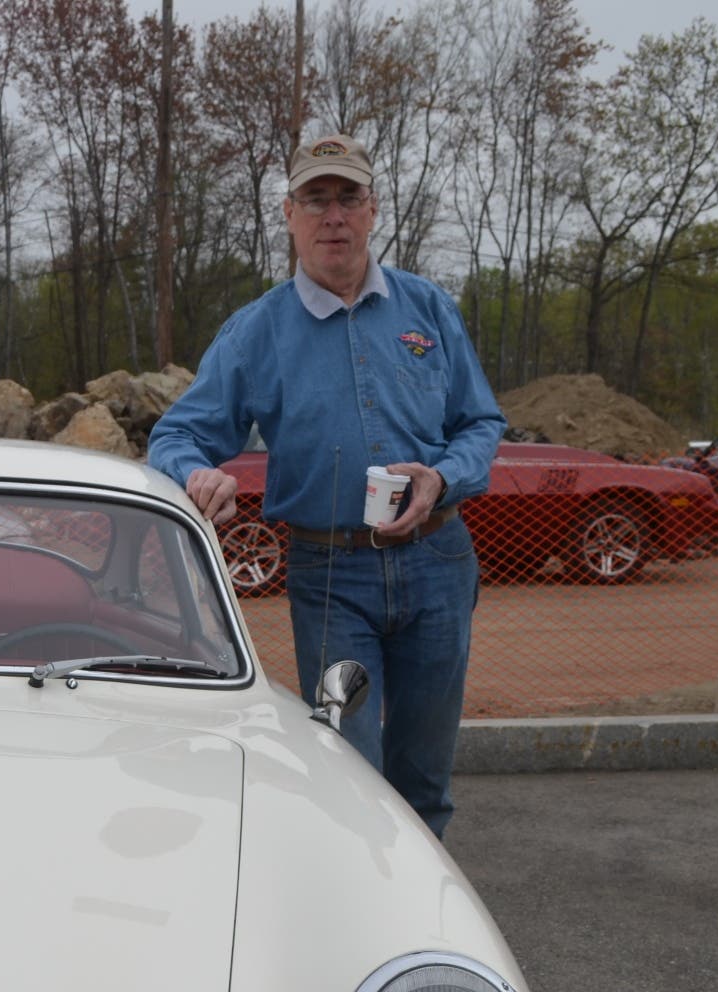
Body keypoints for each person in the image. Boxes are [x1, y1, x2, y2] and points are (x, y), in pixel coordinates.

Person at [149, 133, 505, 838]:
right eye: (316, 200)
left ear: (373, 209)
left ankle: (415, 899)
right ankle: (356, 894)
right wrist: (197, 473)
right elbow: (175, 436)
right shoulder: (256, 333)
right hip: (333, 577)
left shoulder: (428, 310)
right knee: (349, 769)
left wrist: (442, 477)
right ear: (289, 214)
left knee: (425, 776)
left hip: (438, 563)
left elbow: (481, 423)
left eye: (348, 198)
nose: (333, 216)